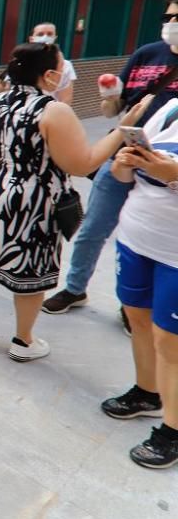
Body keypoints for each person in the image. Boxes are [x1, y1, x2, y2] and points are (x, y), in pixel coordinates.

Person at [0, 43, 153, 362]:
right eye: (60, 69)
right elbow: (82, 163)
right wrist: (122, 130)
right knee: (29, 271)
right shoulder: (52, 109)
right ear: (48, 75)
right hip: (29, 202)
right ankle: (23, 340)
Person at [43, 0, 178, 319]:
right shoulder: (147, 54)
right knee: (93, 228)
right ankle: (75, 288)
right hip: (122, 155)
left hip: (167, 172)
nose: (171, 25)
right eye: (167, 18)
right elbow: (114, 110)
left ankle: (135, 306)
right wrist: (109, 98)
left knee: (145, 239)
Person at [102, 98, 178, 468]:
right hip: (137, 236)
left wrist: (173, 175)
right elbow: (124, 177)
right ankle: (148, 392)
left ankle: (172, 430)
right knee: (138, 318)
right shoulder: (172, 109)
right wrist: (123, 164)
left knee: (171, 339)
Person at [29, 23, 76, 104]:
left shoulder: (65, 65)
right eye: (40, 34)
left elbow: (66, 99)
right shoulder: (21, 61)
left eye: (49, 34)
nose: (45, 37)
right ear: (31, 39)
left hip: (50, 112)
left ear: (55, 38)